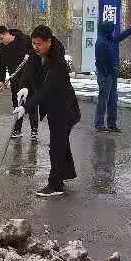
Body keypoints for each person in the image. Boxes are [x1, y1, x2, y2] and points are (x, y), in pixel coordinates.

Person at [13, 25, 81, 197]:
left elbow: (46, 91)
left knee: (56, 146)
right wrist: (24, 87)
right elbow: (29, 69)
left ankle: (55, 185)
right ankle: (65, 173)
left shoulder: (58, 63)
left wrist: (26, 107)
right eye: (33, 44)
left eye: (39, 44)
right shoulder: (38, 53)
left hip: (65, 109)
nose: (35, 47)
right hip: (53, 108)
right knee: (61, 143)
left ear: (49, 42)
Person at [94, 20, 131, 132]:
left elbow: (120, 37)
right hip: (105, 74)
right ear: (107, 29)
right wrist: (105, 73)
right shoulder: (101, 42)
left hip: (112, 73)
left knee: (113, 99)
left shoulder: (109, 38)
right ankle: (99, 124)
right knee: (103, 100)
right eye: (112, 29)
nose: (113, 31)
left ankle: (112, 124)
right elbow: (99, 61)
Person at [0, 25, 37, 140]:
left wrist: (30, 54)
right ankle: (17, 129)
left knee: (31, 102)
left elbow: (35, 49)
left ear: (6, 33)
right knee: (16, 103)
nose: (0, 42)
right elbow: (1, 66)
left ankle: (34, 130)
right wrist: (1, 81)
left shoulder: (24, 39)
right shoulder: (1, 49)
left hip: (29, 77)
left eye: (0, 39)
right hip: (15, 78)